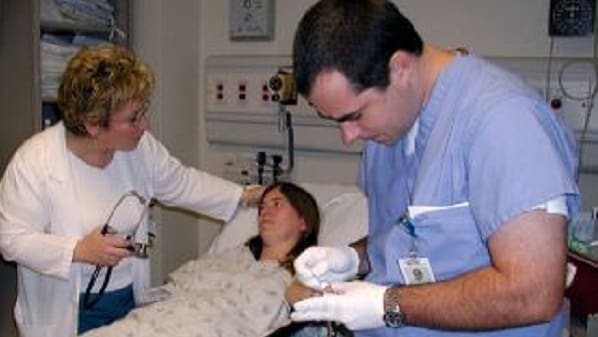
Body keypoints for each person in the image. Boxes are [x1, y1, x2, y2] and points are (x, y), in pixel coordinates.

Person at [289, 1, 580, 337]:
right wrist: (354, 258)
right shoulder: (390, 128)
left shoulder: (504, 121)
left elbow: (535, 293)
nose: (348, 136)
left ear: (399, 68)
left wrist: (388, 305)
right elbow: (414, 237)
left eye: (354, 116)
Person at [0, 43, 264, 337]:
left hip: (126, 301)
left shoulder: (139, 148)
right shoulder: (34, 162)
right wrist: (77, 250)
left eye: (143, 112)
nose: (144, 125)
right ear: (92, 124)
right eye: (133, 118)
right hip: (66, 313)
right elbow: (11, 240)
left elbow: (180, 182)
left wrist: (243, 196)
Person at [79, 182, 322, 337]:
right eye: (262, 207)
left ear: (304, 221)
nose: (265, 211)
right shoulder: (230, 257)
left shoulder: (302, 275)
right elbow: (172, 291)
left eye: (277, 204)